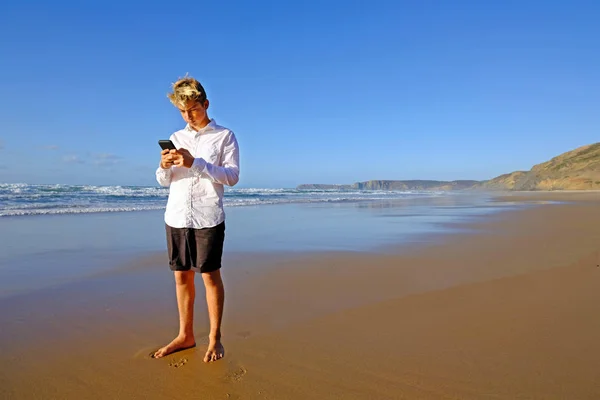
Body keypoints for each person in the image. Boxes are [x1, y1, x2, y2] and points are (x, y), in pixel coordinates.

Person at [153, 76, 240, 362]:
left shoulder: (224, 136)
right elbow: (165, 181)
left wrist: (196, 163)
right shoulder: (177, 138)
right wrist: (164, 167)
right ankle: (185, 335)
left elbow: (232, 177)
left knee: (209, 276)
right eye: (182, 111)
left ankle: (215, 339)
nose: (188, 116)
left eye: (193, 109)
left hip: (208, 215)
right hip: (177, 214)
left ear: (206, 104)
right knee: (181, 276)